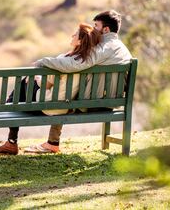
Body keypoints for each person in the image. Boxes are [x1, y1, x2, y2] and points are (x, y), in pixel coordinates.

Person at [26, 10, 132, 154]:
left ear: (105, 29)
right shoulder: (122, 49)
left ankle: (49, 142)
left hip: (92, 102)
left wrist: (44, 61)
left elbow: (76, 64)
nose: (93, 29)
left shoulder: (104, 48)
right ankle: (52, 142)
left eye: (96, 26)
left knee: (67, 89)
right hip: (113, 101)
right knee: (68, 87)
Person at [0, 23, 102, 155]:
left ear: (79, 41)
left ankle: (11, 140)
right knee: (24, 88)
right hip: (65, 106)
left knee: (22, 86)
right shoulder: (87, 62)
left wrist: (37, 79)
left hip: (49, 105)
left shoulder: (64, 61)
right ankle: (13, 136)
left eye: (75, 34)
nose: (72, 35)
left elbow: (48, 84)